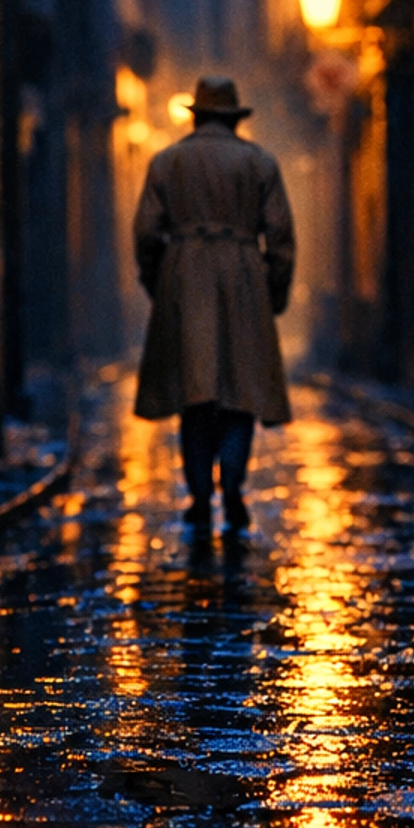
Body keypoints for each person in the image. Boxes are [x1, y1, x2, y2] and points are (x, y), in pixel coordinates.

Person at [132, 75, 295, 535]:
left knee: (195, 394)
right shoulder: (259, 163)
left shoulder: (167, 163)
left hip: (184, 279)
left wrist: (160, 284)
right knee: (240, 394)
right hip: (244, 277)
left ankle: (201, 496)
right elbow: (280, 238)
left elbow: (146, 234)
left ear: (197, 115)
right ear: (234, 119)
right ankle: (233, 487)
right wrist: (273, 294)